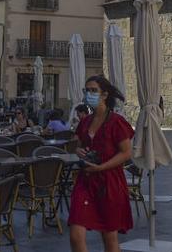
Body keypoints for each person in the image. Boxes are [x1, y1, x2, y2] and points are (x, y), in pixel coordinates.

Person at [69, 75, 133, 252]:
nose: (89, 94)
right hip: (86, 181)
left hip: (109, 181)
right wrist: (78, 151)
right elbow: (79, 145)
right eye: (86, 90)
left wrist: (102, 166)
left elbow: (127, 152)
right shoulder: (85, 121)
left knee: (109, 236)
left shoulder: (116, 122)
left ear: (104, 94)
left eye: (93, 90)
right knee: (75, 234)